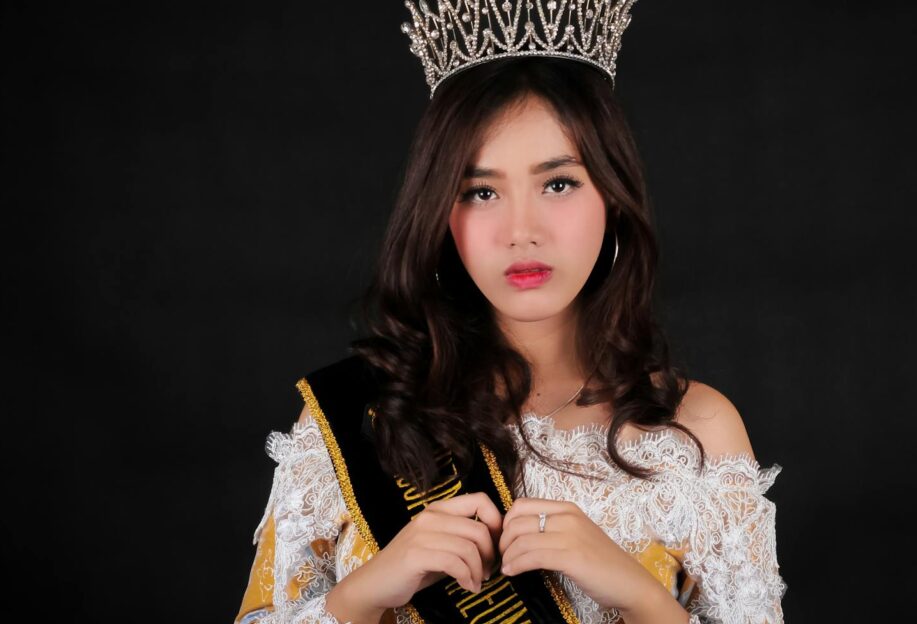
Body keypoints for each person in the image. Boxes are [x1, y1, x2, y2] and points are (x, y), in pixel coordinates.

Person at [234, 2, 786, 623]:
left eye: (558, 183)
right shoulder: (358, 418)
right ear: (442, 215)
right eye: (481, 192)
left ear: (614, 196)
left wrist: (640, 596)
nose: (521, 231)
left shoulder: (699, 433)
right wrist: (364, 594)